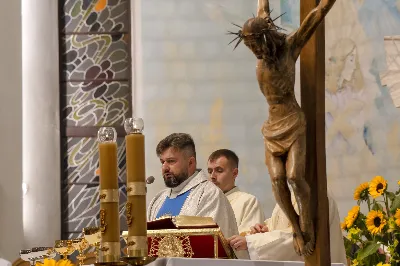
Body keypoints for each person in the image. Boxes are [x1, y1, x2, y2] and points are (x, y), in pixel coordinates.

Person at [147, 133, 249, 259]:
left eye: (171, 161)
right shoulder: (157, 200)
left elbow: (211, 251)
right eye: (162, 162)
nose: (164, 168)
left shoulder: (209, 194)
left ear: (191, 162)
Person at [227, 191, 347, 265]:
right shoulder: (292, 194)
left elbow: (303, 238)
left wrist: (251, 242)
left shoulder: (315, 194)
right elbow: (281, 225)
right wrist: (265, 229)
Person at [207, 149, 265, 234]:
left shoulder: (248, 202)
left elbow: (250, 241)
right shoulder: (204, 204)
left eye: (219, 170)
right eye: (209, 171)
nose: (212, 176)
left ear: (234, 173)